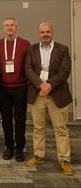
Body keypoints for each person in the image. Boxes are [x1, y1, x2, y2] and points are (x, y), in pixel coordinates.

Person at [25, 22, 74, 175]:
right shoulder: (31, 49)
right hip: (38, 94)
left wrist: (49, 85)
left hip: (57, 94)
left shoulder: (62, 49)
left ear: (52, 33)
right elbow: (28, 69)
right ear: (38, 33)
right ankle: (38, 155)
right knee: (38, 128)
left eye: (48, 32)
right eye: (42, 32)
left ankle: (64, 159)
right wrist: (41, 85)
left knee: (60, 129)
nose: (45, 34)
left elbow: (64, 71)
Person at [0, 17, 30, 162]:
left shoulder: (25, 44)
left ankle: (20, 148)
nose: (9, 28)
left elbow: (29, 66)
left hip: (21, 88)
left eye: (12, 25)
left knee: (20, 120)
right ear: (3, 28)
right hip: (2, 88)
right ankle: (9, 146)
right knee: (6, 119)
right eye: (7, 25)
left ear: (16, 27)